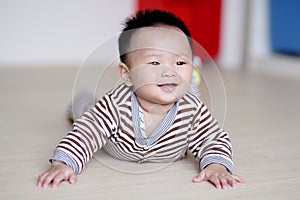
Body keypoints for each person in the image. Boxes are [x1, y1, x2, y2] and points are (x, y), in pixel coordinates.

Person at [37, 10, 244, 189]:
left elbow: (213, 138)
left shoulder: (192, 109)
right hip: (107, 132)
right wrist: (63, 164)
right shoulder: (114, 105)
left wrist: (216, 165)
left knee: (191, 94)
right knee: (85, 113)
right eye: (154, 62)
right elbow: (84, 134)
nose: (169, 71)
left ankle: (191, 80)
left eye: (180, 62)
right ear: (127, 74)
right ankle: (80, 99)